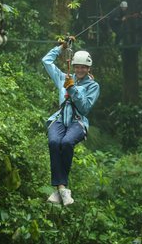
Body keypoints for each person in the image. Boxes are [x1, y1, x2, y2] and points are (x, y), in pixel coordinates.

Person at [41, 39, 100, 206]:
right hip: (60, 119)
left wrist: (72, 88)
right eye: (77, 66)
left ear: (88, 69)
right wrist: (61, 48)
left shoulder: (93, 86)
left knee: (66, 142)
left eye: (83, 67)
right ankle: (61, 190)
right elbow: (46, 61)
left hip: (77, 121)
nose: (79, 70)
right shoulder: (63, 77)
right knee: (53, 141)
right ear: (73, 67)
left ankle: (61, 187)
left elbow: (85, 107)